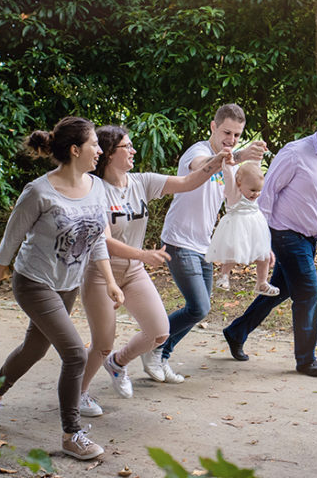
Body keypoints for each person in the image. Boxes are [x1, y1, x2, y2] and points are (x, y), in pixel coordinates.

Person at [0, 116, 125, 460]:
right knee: (74, 353)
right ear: (75, 150)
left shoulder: (96, 187)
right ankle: (71, 434)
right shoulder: (38, 192)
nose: (100, 151)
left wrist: (112, 283)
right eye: (94, 145)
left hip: (67, 284)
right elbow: (10, 242)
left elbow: (96, 239)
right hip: (33, 282)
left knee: (34, 349)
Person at [78, 125, 234, 416]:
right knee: (101, 343)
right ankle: (79, 393)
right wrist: (143, 254)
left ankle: (118, 363)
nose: (134, 151)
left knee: (159, 332)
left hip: (134, 271)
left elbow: (189, 181)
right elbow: (104, 241)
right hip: (101, 273)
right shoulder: (93, 188)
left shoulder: (142, 182)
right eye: (127, 147)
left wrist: (219, 160)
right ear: (110, 154)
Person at [221, 100, 317, 377]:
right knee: (308, 292)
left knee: (280, 289)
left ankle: (236, 331)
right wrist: (263, 237)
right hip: (284, 232)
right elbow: (267, 194)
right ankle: (306, 360)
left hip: (310, 238)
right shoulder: (295, 153)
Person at [143, 104, 267, 382]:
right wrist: (237, 155)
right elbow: (200, 168)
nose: (231, 140)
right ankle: (151, 345)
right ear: (213, 127)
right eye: (226, 132)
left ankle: (161, 356)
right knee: (199, 307)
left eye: (237, 135)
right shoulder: (197, 151)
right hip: (178, 241)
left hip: (204, 246)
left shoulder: (230, 163)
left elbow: (237, 200)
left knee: (198, 309)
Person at [206, 160, 280, 296]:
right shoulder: (234, 194)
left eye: (259, 191)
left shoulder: (253, 193)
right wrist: (227, 164)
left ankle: (261, 283)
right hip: (237, 227)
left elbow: (255, 168)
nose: (256, 194)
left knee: (264, 257)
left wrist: (258, 156)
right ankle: (224, 276)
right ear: (239, 183)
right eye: (253, 190)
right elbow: (228, 176)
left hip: (256, 227)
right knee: (234, 253)